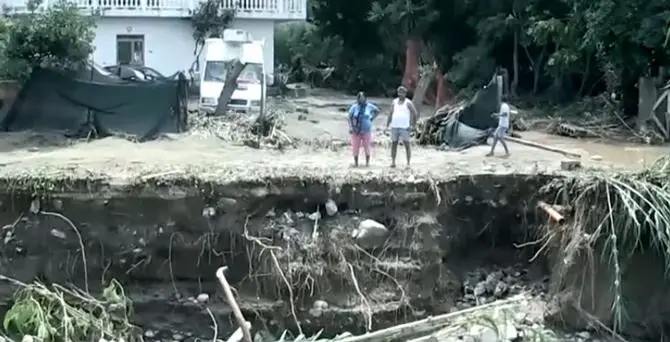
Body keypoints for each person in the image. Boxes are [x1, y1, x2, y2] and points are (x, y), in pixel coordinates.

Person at [386, 86, 418, 168]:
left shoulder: (408, 103)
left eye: (402, 92)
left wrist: (413, 125)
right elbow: (390, 113)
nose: (400, 94)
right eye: (399, 92)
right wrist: (387, 125)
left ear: (405, 93)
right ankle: (393, 162)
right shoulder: (394, 102)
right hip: (395, 126)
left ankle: (408, 163)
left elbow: (414, 113)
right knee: (394, 144)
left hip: (404, 127)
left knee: (407, 144)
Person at [349, 92, 379, 167]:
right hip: (356, 130)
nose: (361, 99)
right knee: (355, 146)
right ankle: (356, 163)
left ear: (365, 98)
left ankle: (367, 163)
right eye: (360, 97)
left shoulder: (369, 106)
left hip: (366, 130)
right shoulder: (354, 107)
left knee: (367, 146)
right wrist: (351, 127)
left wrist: (371, 118)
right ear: (358, 98)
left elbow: (377, 111)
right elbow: (350, 117)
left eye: (363, 97)